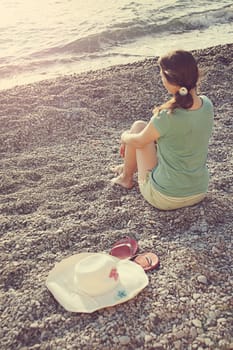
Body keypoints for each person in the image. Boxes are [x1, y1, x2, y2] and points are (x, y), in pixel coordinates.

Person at [111, 50, 214, 210]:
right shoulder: (207, 105)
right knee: (160, 137)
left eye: (162, 76)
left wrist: (124, 137)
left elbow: (139, 141)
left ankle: (126, 177)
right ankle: (127, 167)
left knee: (138, 127)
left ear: (171, 80)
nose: (162, 80)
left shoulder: (167, 116)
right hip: (199, 191)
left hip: (166, 197)